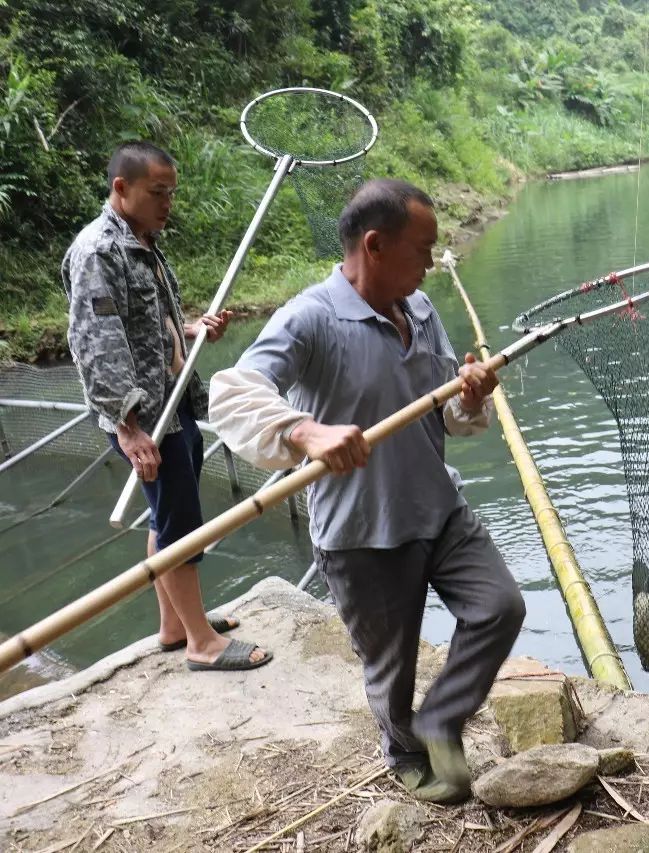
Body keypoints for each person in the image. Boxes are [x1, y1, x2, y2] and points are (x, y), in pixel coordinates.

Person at [208, 178, 525, 804]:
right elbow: (232, 391)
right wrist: (303, 429)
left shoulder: (422, 310)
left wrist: (468, 393)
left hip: (440, 508)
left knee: (500, 607)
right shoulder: (309, 320)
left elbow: (443, 414)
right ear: (374, 245)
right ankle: (405, 751)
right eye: (423, 249)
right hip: (362, 532)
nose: (431, 263)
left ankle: (440, 720)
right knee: (391, 667)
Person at [62, 140, 271, 672]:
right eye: (157, 193)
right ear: (121, 188)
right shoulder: (98, 252)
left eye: (171, 193)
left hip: (171, 401)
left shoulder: (143, 241)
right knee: (180, 524)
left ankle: (175, 626)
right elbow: (96, 344)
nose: (167, 203)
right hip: (145, 416)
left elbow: (146, 326)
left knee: (169, 515)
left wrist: (193, 329)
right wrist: (128, 429)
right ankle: (202, 644)